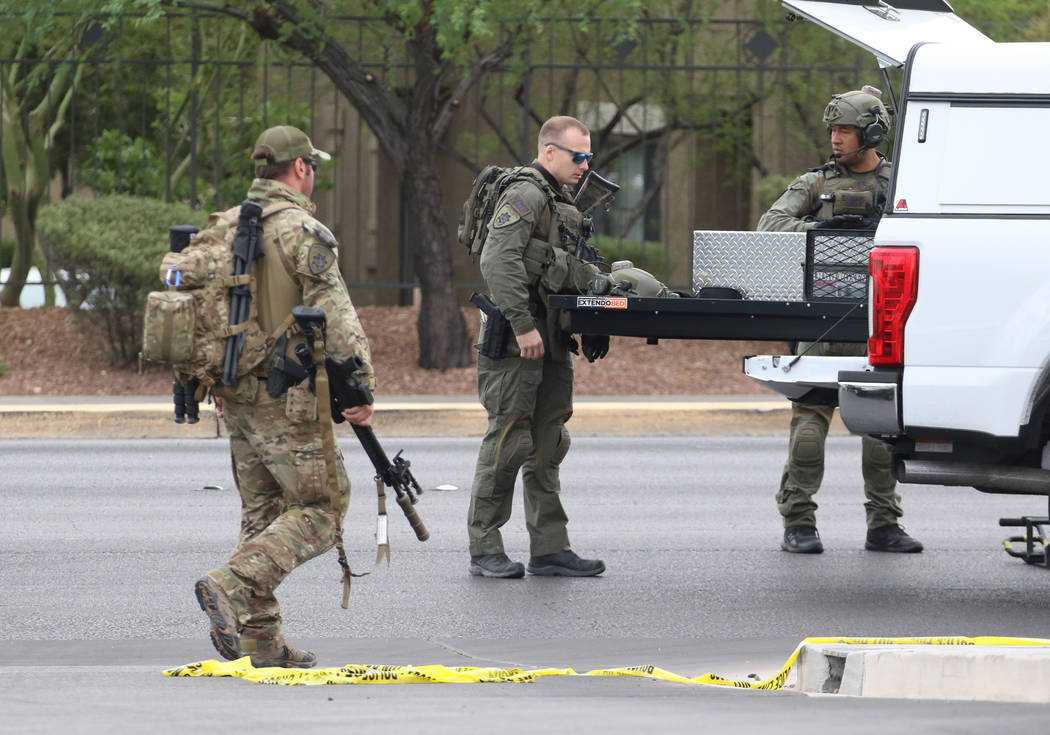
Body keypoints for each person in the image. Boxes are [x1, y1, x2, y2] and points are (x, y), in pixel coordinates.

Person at [194, 125, 376, 668]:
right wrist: (360, 387)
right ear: (300, 168)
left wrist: (213, 379)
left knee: (263, 513)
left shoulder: (221, 227)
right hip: (287, 395)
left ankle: (259, 640)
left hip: (232, 390)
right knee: (323, 508)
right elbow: (335, 316)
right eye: (312, 167)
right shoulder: (303, 230)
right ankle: (229, 584)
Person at [757, 87, 923, 555]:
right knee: (809, 431)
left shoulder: (900, 183)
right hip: (820, 323)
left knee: (878, 434)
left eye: (844, 129)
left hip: (878, 321)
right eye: (832, 129)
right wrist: (819, 230)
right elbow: (770, 225)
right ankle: (799, 522)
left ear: (869, 132)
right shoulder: (815, 183)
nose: (835, 138)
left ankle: (884, 524)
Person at [467, 115, 608, 578]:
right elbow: (497, 259)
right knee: (509, 440)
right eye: (578, 156)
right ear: (550, 152)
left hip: (550, 335)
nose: (586, 165)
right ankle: (484, 547)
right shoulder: (526, 194)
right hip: (516, 340)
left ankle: (549, 547)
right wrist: (523, 325)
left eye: (588, 156)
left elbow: (568, 267)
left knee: (549, 440)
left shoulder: (558, 200)